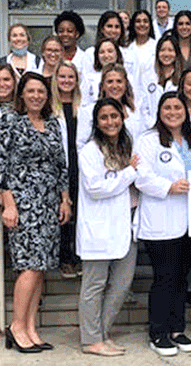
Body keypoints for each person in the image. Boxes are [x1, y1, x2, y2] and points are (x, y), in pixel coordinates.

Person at [0, 72, 70, 353]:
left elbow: (61, 165)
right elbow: (0, 166)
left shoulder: (51, 124)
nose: (37, 95)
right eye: (31, 91)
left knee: (41, 268)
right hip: (23, 205)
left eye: (41, 91)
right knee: (29, 266)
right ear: (22, 94)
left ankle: (31, 327)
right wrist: (9, 203)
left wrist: (65, 199)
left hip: (49, 204)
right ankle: (16, 326)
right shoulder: (10, 122)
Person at [135, 91, 191, 357]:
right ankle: (158, 332)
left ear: (185, 112)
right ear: (159, 111)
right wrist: (169, 186)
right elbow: (141, 177)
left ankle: (178, 329)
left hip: (190, 221)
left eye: (178, 107)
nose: (173, 112)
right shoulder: (148, 140)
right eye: (167, 108)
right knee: (164, 278)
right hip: (161, 221)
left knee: (181, 278)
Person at [77, 98, 139, 357]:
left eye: (115, 116)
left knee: (122, 283)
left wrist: (129, 172)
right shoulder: (90, 151)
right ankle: (91, 339)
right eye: (104, 117)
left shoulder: (127, 147)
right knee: (95, 284)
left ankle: (102, 333)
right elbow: (96, 187)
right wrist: (129, 173)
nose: (110, 121)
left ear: (122, 118)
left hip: (126, 223)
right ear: (97, 122)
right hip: (99, 227)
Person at [51, 60, 84, 278]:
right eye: (62, 77)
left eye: (70, 77)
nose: (66, 81)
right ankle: (63, 257)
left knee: (80, 212)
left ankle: (79, 255)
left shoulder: (83, 107)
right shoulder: (49, 108)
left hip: (79, 166)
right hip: (58, 166)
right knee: (62, 212)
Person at [78, 63, 145, 152]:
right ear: (102, 86)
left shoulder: (135, 112)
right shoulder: (88, 111)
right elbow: (80, 145)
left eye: (119, 81)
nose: (114, 86)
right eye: (110, 81)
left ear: (126, 85)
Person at [137, 35, 184, 124]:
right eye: (162, 50)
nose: (166, 54)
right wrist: (153, 125)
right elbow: (142, 106)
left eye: (170, 50)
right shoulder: (147, 77)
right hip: (151, 127)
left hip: (177, 126)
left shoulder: (183, 77)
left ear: (177, 54)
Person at [81, 38, 125, 105]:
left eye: (110, 51)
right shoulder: (88, 79)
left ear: (117, 54)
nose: (106, 56)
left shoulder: (128, 77)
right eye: (102, 52)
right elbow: (83, 103)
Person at [54, 11, 90, 76]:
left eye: (69, 31)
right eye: (61, 31)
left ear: (77, 34)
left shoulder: (85, 58)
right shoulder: (52, 57)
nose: (65, 34)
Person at [126, 10, 157, 78]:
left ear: (150, 25)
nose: (142, 24)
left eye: (145, 21)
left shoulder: (157, 47)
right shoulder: (126, 48)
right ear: (133, 25)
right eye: (138, 21)